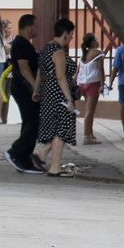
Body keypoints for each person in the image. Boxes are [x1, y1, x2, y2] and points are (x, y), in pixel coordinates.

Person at [36, 19, 78, 177]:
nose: (72, 38)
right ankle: (54, 167)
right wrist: (69, 99)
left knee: (55, 130)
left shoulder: (45, 49)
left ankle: (41, 156)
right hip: (59, 94)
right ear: (65, 34)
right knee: (62, 130)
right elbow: (61, 77)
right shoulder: (58, 52)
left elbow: (41, 72)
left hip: (48, 94)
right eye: (71, 34)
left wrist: (36, 90)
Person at [5, 14, 43, 173]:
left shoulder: (25, 44)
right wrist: (36, 87)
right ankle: (15, 152)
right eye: (36, 25)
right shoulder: (20, 44)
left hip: (26, 89)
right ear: (29, 27)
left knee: (30, 122)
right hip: (24, 89)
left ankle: (24, 158)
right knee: (34, 122)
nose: (38, 29)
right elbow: (23, 67)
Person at [75, 33, 104, 144]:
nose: (98, 41)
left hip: (82, 84)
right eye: (96, 39)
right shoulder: (98, 53)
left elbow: (78, 70)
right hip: (93, 83)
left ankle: (90, 133)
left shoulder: (84, 55)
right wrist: (102, 84)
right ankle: (86, 136)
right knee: (90, 111)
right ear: (92, 42)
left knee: (89, 109)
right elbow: (101, 69)